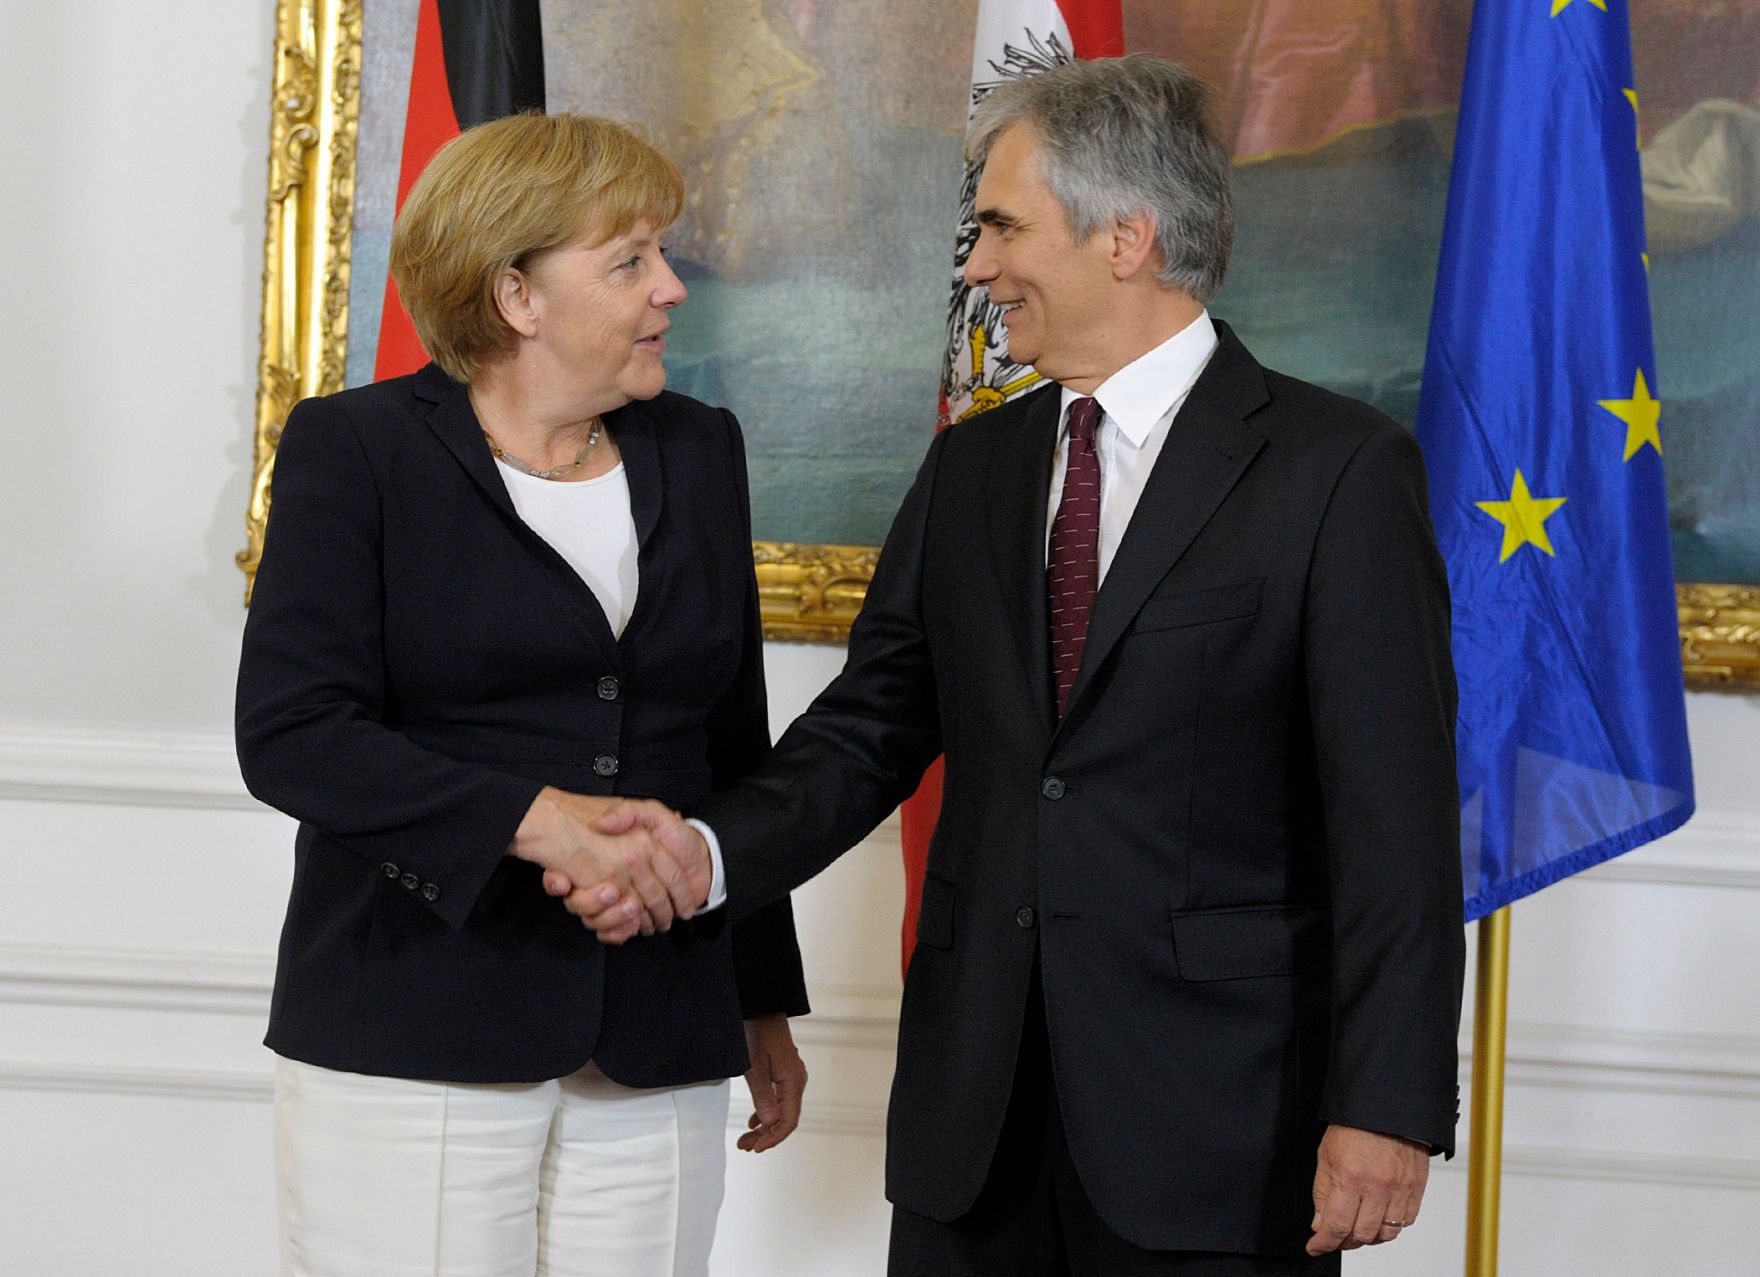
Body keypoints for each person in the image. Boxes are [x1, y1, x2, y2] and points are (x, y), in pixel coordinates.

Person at [554, 56, 1466, 1275]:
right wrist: (701, 854)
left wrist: (1387, 1103)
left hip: (1219, 1128)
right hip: (970, 1123)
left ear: (1125, 239)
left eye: (999, 225)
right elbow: (867, 729)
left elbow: (1392, 825)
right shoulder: (974, 468)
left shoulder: (1335, 471)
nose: (975, 265)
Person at [235, 112, 809, 1277]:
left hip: (658, 1027)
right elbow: (294, 733)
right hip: (414, 1022)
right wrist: (536, 820)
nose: (670, 289)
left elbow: (730, 743)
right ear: (515, 294)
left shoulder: (698, 449)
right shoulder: (357, 449)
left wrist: (758, 997)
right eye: (631, 260)